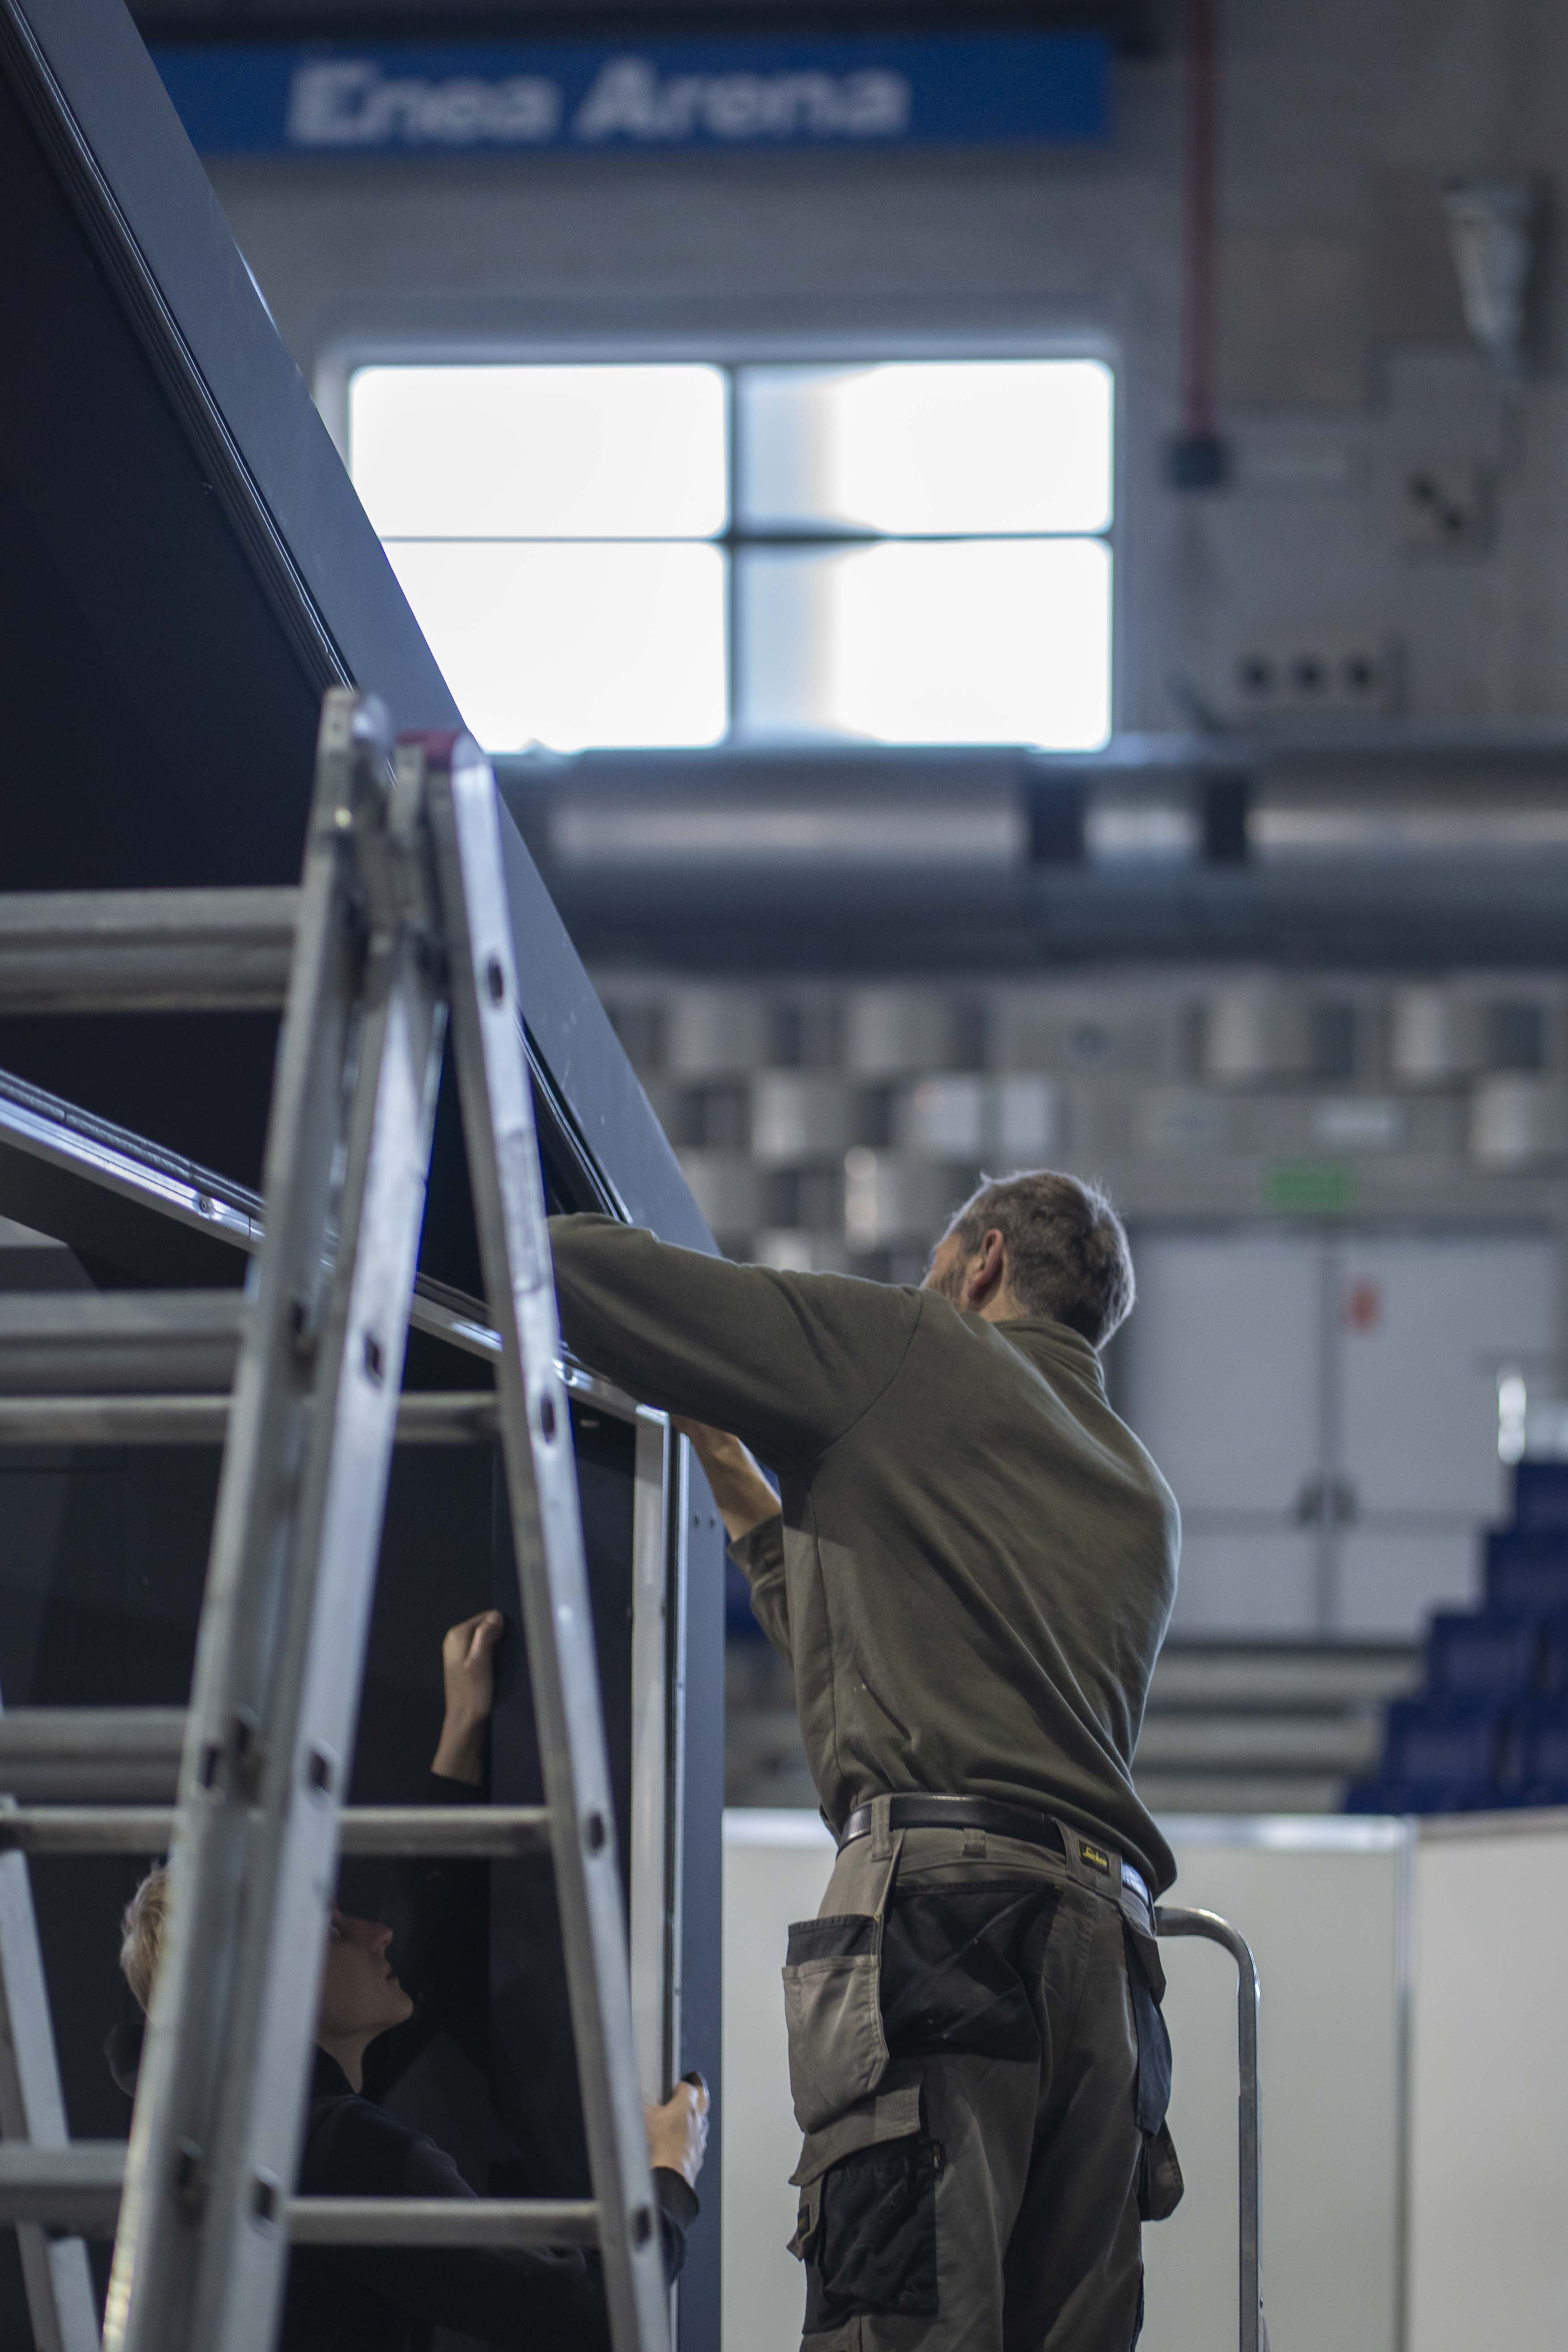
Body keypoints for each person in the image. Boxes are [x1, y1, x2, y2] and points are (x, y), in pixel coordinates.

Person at [546, 1170, 1181, 2352]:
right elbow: (892, 1652)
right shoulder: (1139, 1492)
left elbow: (597, 1277)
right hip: (1109, 1973)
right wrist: (741, 1481)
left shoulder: (908, 1348)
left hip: (946, 1932)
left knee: (901, 2318)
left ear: (979, 1259)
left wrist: (521, 1201)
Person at [113, 1610, 708, 2352]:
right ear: (272, 1988)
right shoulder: (345, 2151)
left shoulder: (233, 2135)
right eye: (333, 1929)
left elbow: (411, 1949)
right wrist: (669, 2177)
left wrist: (463, 1730)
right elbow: (595, 2313)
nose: (376, 1933)